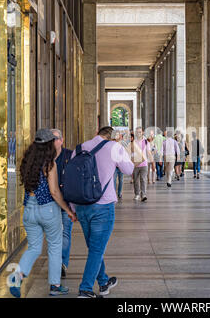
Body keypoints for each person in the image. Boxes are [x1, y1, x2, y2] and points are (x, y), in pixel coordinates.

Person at [10, 129, 77, 298]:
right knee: (54, 247)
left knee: (33, 248)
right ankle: (55, 286)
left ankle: (16, 278)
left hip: (29, 210)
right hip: (47, 209)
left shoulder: (26, 162)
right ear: (48, 145)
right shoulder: (50, 164)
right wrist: (68, 210)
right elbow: (54, 192)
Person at [72, 126, 134, 298]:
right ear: (112, 138)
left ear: (96, 134)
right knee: (96, 249)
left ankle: (104, 281)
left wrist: (72, 208)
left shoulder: (79, 148)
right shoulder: (114, 147)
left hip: (82, 205)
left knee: (94, 247)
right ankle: (85, 288)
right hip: (103, 206)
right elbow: (129, 169)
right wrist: (122, 148)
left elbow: (71, 179)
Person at [51, 129, 74, 278]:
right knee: (53, 235)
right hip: (50, 202)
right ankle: (55, 263)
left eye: (55, 139)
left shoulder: (69, 155)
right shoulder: (45, 157)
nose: (52, 142)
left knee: (65, 232)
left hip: (66, 200)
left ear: (62, 140)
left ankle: (62, 264)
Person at [132, 127, 152, 202]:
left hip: (144, 164)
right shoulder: (134, 141)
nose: (138, 133)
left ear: (142, 132)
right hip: (135, 164)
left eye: (140, 132)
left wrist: (151, 160)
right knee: (135, 180)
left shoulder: (146, 142)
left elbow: (149, 151)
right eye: (137, 132)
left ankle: (143, 194)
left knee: (143, 179)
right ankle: (137, 194)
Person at [112, 130, 124, 199]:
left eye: (119, 135)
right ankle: (113, 193)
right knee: (114, 180)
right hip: (114, 165)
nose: (118, 136)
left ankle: (119, 193)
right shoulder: (112, 143)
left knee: (121, 180)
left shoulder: (122, 144)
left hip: (120, 165)